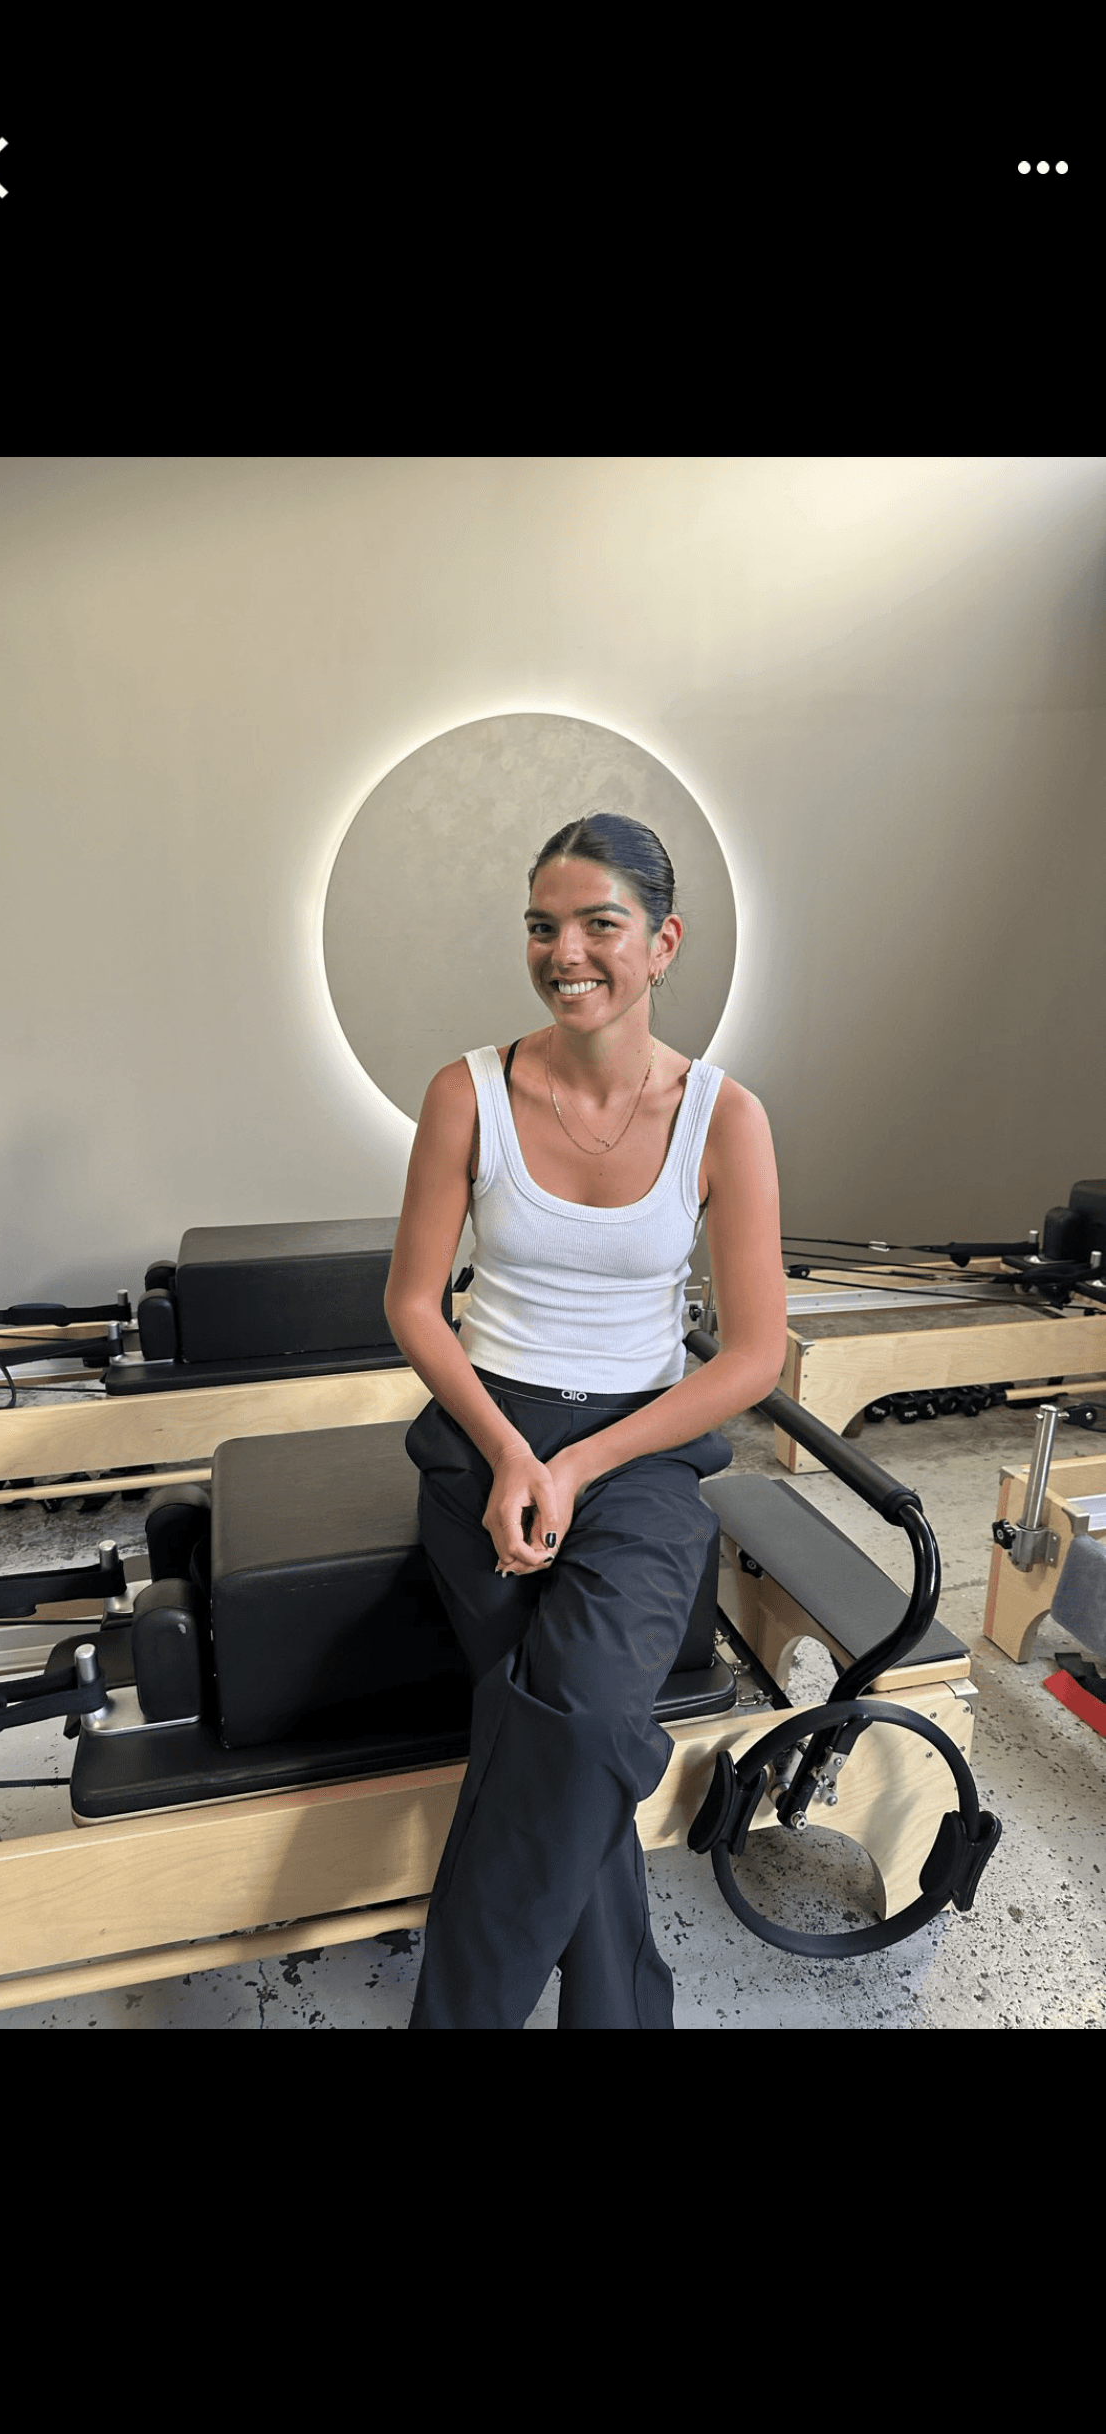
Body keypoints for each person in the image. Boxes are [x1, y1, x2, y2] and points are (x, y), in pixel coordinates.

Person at [383, 812, 788, 2028]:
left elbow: (757, 1353)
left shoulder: (727, 1116)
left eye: (599, 924)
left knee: (581, 1714)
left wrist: (586, 1462)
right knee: (558, 1735)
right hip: (482, 1441)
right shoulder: (468, 1091)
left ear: (661, 944)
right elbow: (411, 1302)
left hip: (643, 1449)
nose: (568, 951)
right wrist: (515, 1455)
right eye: (543, 927)